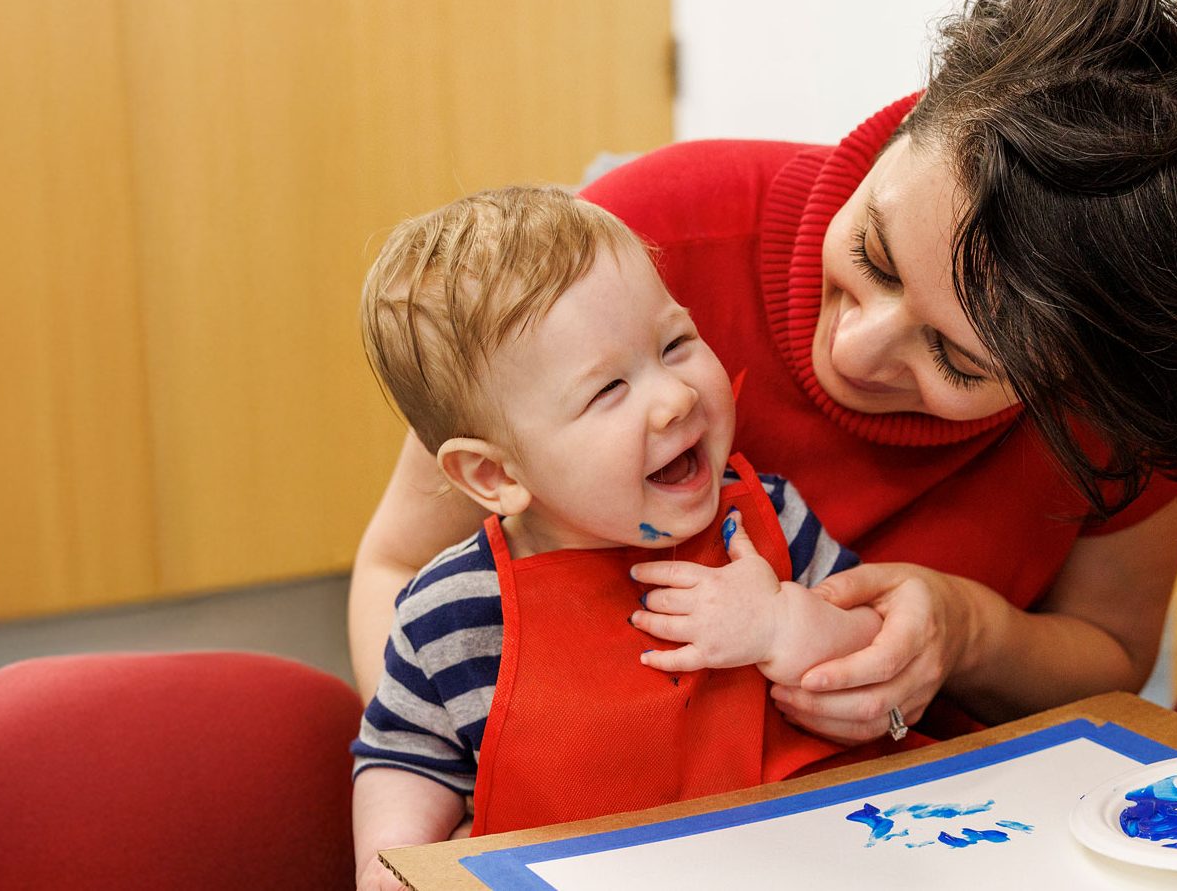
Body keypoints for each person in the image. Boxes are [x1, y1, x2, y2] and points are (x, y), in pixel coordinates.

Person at [348, 0, 1177, 757]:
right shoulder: (639, 254)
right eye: (873, 255)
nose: (857, 347)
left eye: (959, 361)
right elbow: (400, 564)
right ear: (908, 127)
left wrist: (967, 631)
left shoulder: (1126, 395)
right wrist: (475, 776)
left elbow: (1110, 654)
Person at [350, 186, 899, 889]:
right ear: (494, 472)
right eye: (608, 389)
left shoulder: (766, 525)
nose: (675, 396)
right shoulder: (451, 613)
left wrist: (785, 624)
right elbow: (404, 757)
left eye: (675, 343)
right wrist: (390, 858)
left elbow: (877, 663)